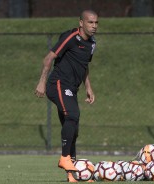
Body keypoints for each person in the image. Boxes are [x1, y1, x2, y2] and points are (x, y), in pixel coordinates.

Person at [34, 10, 98, 182]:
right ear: (81, 23)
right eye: (90, 22)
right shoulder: (70, 38)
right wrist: (42, 82)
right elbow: (48, 58)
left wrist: (88, 88)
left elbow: (84, 66)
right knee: (73, 115)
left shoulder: (92, 43)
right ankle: (64, 158)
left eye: (96, 23)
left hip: (72, 88)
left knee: (72, 129)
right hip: (58, 85)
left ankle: (73, 174)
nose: (94, 26)